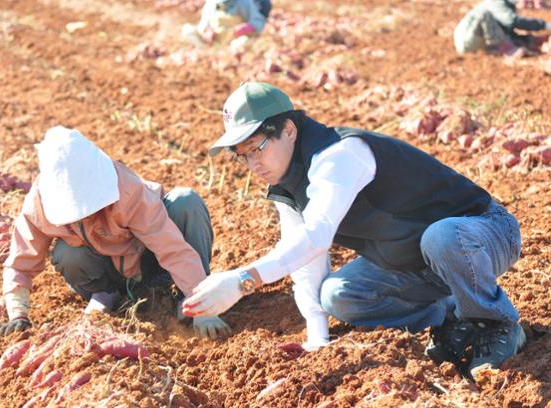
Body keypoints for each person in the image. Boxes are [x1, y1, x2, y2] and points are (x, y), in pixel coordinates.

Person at [182, 82, 525, 379]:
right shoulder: (286, 185)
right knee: (338, 295)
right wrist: (317, 338)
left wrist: (244, 280)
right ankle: (450, 315)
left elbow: (318, 233)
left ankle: (496, 324)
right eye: (242, 156)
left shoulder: (339, 154)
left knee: (442, 237)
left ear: (288, 130)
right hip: (416, 262)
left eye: (257, 148)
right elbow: (305, 257)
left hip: (483, 233)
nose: (253, 164)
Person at [0, 126, 230, 340]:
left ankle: (189, 296)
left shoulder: (126, 189)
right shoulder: (39, 203)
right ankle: (108, 296)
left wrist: (203, 307)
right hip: (106, 271)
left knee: (185, 202)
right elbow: (20, 261)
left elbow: (172, 248)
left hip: (151, 262)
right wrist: (17, 313)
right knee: (67, 253)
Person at [454, 0, 551, 56]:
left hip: (473, 40)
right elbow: (513, 22)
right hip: (466, 39)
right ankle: (506, 49)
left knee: (504, 29)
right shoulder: (497, 2)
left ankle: (496, 48)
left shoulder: (505, 7)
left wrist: (530, 39)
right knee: (485, 16)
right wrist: (545, 25)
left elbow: (508, 29)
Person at [181, 0, 269, 49]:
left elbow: (258, 21)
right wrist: (206, 30)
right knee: (187, 30)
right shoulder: (211, 3)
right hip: (214, 40)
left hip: (234, 39)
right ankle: (208, 49)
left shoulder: (244, 3)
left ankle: (230, 52)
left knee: (242, 43)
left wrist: (249, 27)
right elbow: (204, 23)